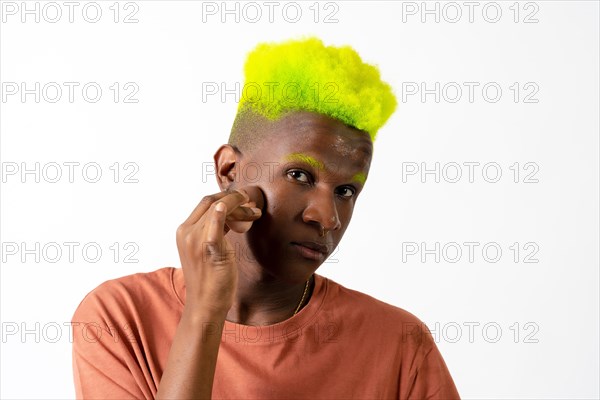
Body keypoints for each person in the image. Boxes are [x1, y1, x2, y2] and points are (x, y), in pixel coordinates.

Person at [71, 37, 460, 399]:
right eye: (300, 175)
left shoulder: (398, 343)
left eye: (346, 191)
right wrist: (205, 313)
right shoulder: (120, 319)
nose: (328, 219)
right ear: (228, 171)